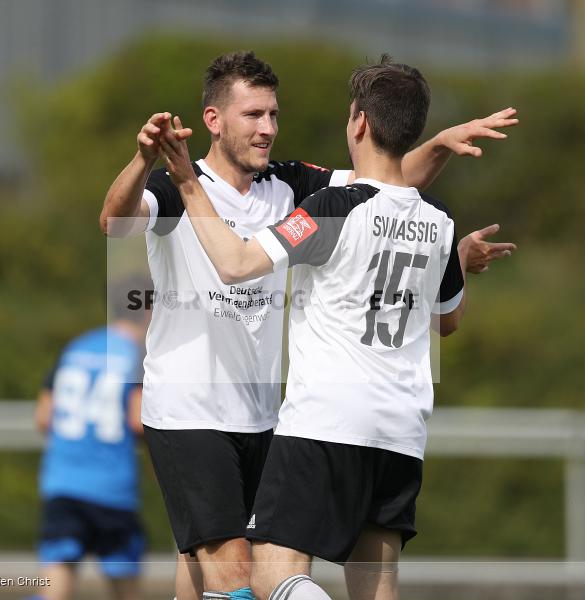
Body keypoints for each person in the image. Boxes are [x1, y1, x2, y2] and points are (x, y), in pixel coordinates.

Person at [99, 51, 515, 600]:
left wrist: (436, 145)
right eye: (253, 115)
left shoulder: (293, 184)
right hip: (189, 409)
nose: (268, 128)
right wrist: (141, 161)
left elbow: (384, 183)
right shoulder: (177, 187)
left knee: (200, 581)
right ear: (214, 120)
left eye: (273, 114)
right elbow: (115, 220)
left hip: (265, 414)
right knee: (239, 577)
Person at [30, 278, 152, 600]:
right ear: (149, 309)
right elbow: (138, 421)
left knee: (56, 580)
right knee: (125, 585)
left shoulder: (77, 346)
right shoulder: (140, 355)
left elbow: (44, 416)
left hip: (63, 483)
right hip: (111, 488)